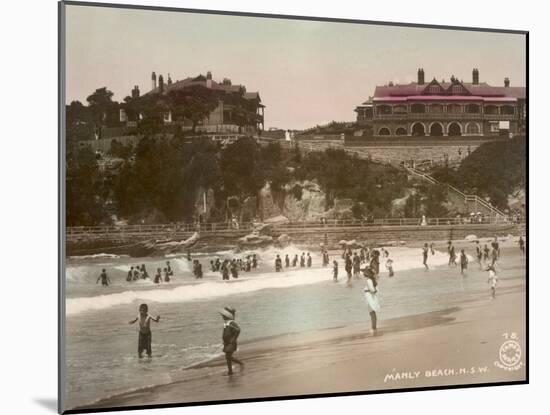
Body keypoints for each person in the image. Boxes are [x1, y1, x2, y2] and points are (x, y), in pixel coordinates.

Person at [219, 307, 244, 376]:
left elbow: (238, 330)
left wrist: (233, 339)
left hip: (231, 342)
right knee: (228, 357)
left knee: (228, 357)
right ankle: (230, 371)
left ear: (227, 316)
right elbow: (226, 333)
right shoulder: (226, 323)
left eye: (223, 316)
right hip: (227, 342)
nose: (222, 317)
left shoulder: (231, 323)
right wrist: (224, 340)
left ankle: (240, 363)